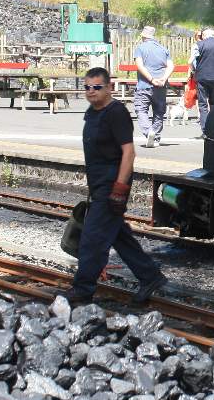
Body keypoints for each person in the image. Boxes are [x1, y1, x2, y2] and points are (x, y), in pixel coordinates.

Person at [61, 66, 166, 305]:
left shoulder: (116, 113)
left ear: (109, 87)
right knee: (117, 235)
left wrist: (120, 187)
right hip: (98, 184)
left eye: (97, 87)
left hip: (112, 184)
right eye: (87, 87)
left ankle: (83, 289)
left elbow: (129, 153)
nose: (91, 92)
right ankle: (150, 276)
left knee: (92, 238)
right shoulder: (92, 112)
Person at [133, 25, 172, 147]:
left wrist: (151, 79)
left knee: (141, 110)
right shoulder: (163, 49)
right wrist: (163, 79)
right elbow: (171, 66)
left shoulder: (140, 48)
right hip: (161, 85)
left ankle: (149, 131)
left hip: (144, 85)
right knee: (159, 112)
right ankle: (155, 137)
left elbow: (140, 65)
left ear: (143, 36)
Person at [191, 27, 214, 136]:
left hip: (201, 78)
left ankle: (205, 130)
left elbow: (190, 60)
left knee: (202, 104)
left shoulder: (198, 45)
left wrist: (193, 69)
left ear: (204, 35)